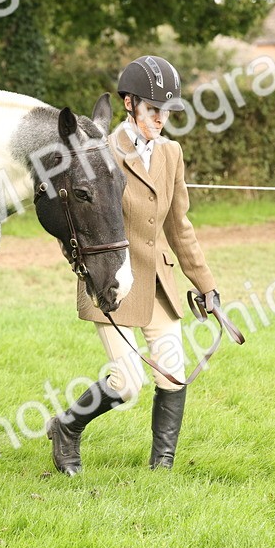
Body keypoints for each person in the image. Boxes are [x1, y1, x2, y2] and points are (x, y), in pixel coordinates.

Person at [46, 55, 221, 474]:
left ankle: (161, 468)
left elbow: (179, 226)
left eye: (167, 112)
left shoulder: (171, 154)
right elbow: (73, 218)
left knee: (173, 374)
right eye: (153, 110)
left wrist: (205, 284)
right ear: (129, 104)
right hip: (111, 280)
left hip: (158, 278)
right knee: (126, 385)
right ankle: (66, 427)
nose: (160, 119)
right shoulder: (100, 151)